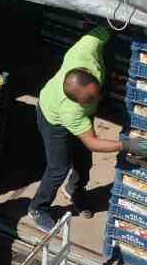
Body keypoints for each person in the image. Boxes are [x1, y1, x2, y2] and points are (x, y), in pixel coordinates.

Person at [28, 25, 127, 232]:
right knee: (58, 168)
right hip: (53, 120)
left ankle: (75, 191)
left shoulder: (84, 51)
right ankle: (38, 207)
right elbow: (93, 142)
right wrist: (126, 144)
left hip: (81, 115)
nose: (97, 99)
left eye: (96, 94)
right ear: (77, 102)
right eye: (89, 100)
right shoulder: (71, 111)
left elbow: (105, 29)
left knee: (83, 161)